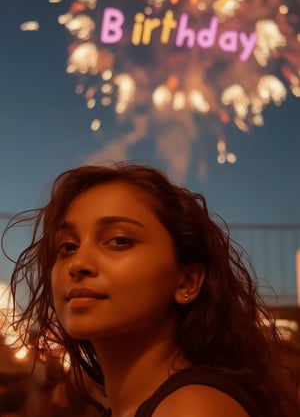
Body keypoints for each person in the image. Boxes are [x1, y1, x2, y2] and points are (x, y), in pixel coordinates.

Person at [3, 163, 299, 417]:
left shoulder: (192, 409)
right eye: (67, 246)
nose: (77, 263)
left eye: (119, 240)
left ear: (186, 282)